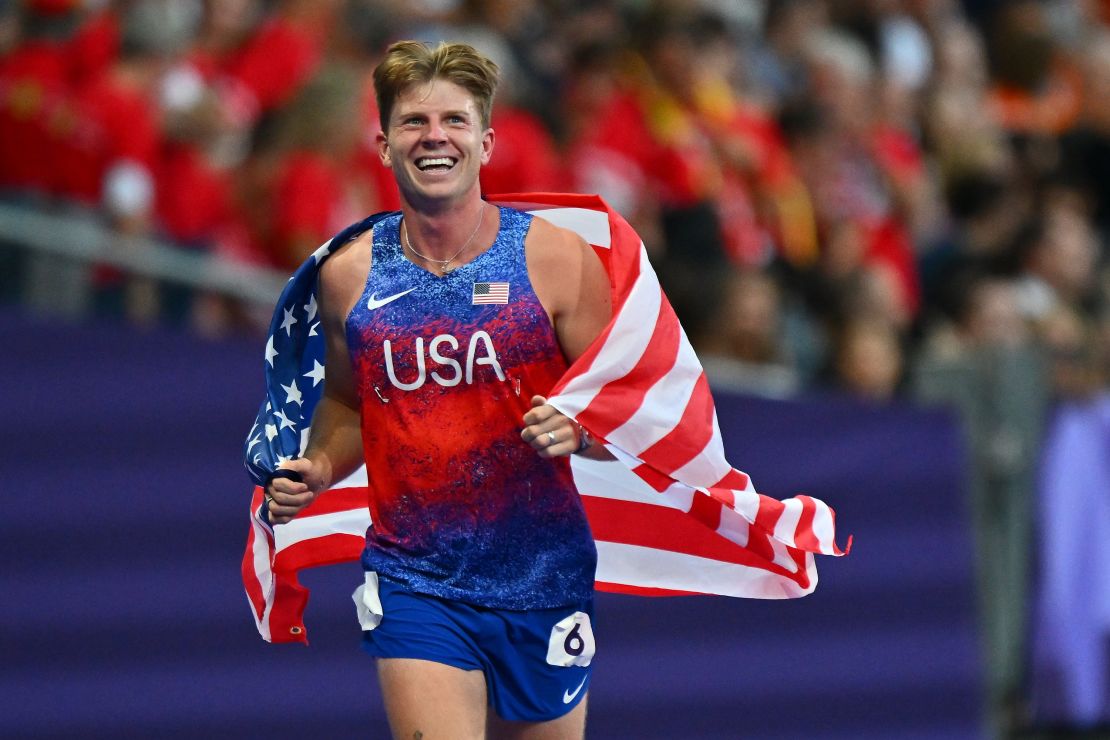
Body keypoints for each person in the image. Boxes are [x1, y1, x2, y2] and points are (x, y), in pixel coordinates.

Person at [264, 40, 613, 739]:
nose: (434, 137)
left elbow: (627, 403)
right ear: (384, 145)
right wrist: (322, 465)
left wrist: (580, 427)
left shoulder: (556, 259)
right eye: (414, 123)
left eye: (453, 121)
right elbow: (345, 401)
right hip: (415, 578)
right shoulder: (348, 275)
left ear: (485, 143)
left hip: (544, 576)